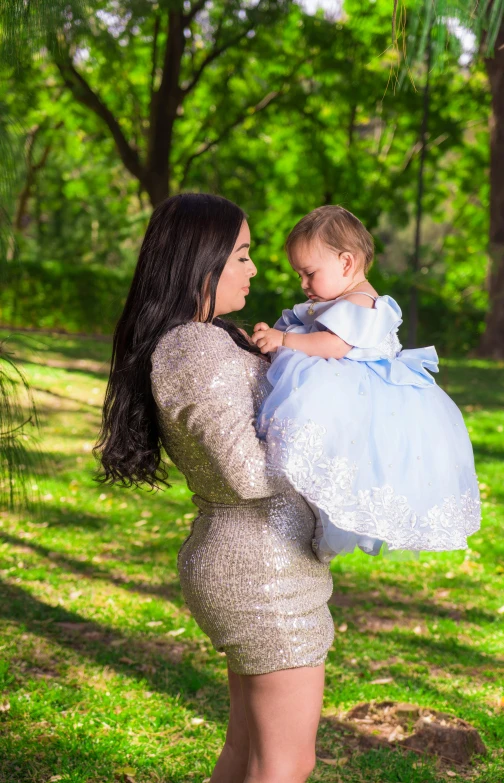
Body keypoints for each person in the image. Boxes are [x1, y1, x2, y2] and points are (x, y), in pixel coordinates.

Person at [94, 193, 334, 783]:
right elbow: (246, 474)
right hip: (261, 570)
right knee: (285, 764)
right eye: (243, 256)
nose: (253, 270)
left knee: (248, 752)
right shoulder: (196, 348)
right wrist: (336, 457)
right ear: (201, 260)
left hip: (256, 560)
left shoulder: (199, 338)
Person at [252, 205, 481, 562]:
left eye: (309, 273)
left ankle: (323, 523)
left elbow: (334, 345)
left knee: (346, 458)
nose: (303, 284)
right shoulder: (338, 296)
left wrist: (284, 341)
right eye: (299, 274)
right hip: (347, 389)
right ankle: (313, 511)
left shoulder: (360, 300)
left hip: (362, 394)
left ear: (346, 263)